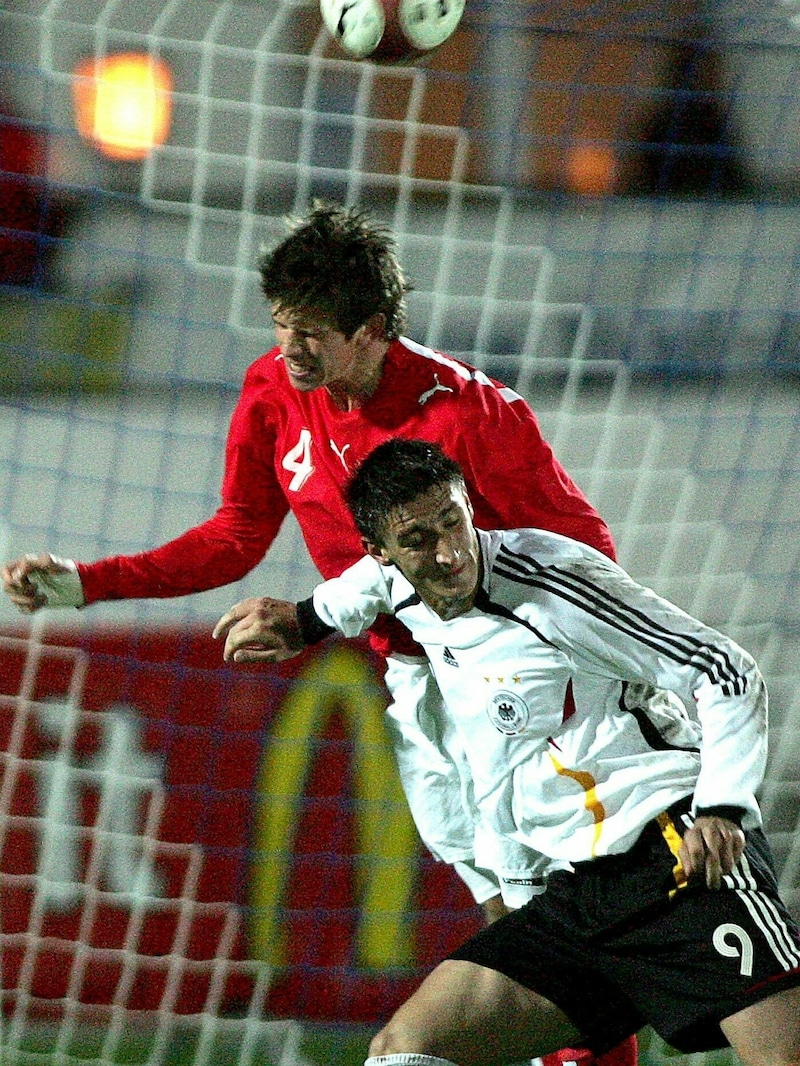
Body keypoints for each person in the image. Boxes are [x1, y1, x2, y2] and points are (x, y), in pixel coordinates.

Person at [2, 202, 633, 1064]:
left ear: (372, 331)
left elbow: (587, 552)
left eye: (313, 333)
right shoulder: (274, 391)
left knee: (550, 929)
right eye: (282, 325)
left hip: (516, 688)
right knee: (514, 927)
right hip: (419, 688)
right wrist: (88, 584)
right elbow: (234, 535)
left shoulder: (469, 415)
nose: (289, 348)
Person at [214, 437, 800, 1066]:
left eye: (453, 521)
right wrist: (304, 619)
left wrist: (724, 807)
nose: (448, 551)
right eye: (418, 540)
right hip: (579, 892)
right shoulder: (400, 586)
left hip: (676, 857)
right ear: (381, 552)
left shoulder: (554, 586)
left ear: (468, 507)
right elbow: (364, 591)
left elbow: (726, 669)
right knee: (405, 1049)